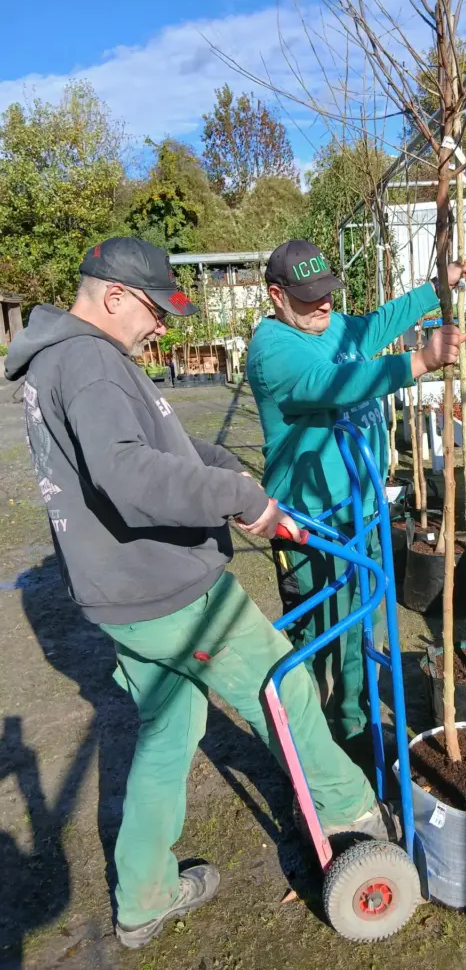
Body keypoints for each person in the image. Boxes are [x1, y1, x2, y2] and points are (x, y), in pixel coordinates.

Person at [4, 237, 393, 950]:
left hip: (122, 598)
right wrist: (236, 498)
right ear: (113, 296)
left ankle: (144, 897)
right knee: (283, 684)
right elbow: (129, 476)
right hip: (171, 591)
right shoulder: (88, 363)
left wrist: (238, 476)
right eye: (154, 312)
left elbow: (165, 446)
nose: (161, 328)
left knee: (169, 732)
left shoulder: (67, 360)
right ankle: (357, 815)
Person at [247, 239, 466, 749]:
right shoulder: (274, 350)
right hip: (313, 526)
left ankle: (359, 722)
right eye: (309, 296)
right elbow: (335, 382)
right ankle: (325, 747)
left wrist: (437, 289)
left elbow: (377, 324)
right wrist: (417, 362)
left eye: (327, 291)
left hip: (363, 511)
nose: (324, 303)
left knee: (366, 625)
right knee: (325, 637)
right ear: (277, 295)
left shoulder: (330, 325)